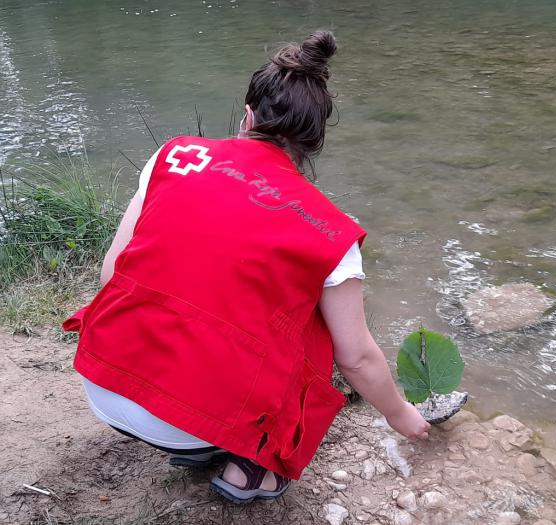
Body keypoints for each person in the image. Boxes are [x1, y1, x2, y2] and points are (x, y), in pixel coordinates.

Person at [63, 31, 430, 504]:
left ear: (248, 116)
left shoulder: (175, 155)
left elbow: (112, 274)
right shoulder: (330, 231)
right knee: (318, 328)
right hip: (185, 420)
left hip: (102, 380)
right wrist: (400, 414)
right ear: (313, 142)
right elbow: (355, 359)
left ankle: (196, 440)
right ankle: (252, 468)